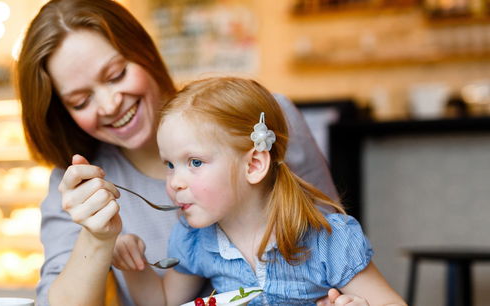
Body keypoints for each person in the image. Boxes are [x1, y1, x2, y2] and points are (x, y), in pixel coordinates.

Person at [16, 0, 339, 304]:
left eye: (116, 76)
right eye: (81, 102)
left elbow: (334, 242)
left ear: (144, 53)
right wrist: (97, 238)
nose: (110, 104)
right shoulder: (80, 186)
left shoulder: (262, 122)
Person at [111, 77, 405, 306]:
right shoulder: (196, 240)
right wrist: (132, 266)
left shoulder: (326, 239)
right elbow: (163, 301)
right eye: (170, 165)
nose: (175, 181)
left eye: (195, 162)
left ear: (253, 164)